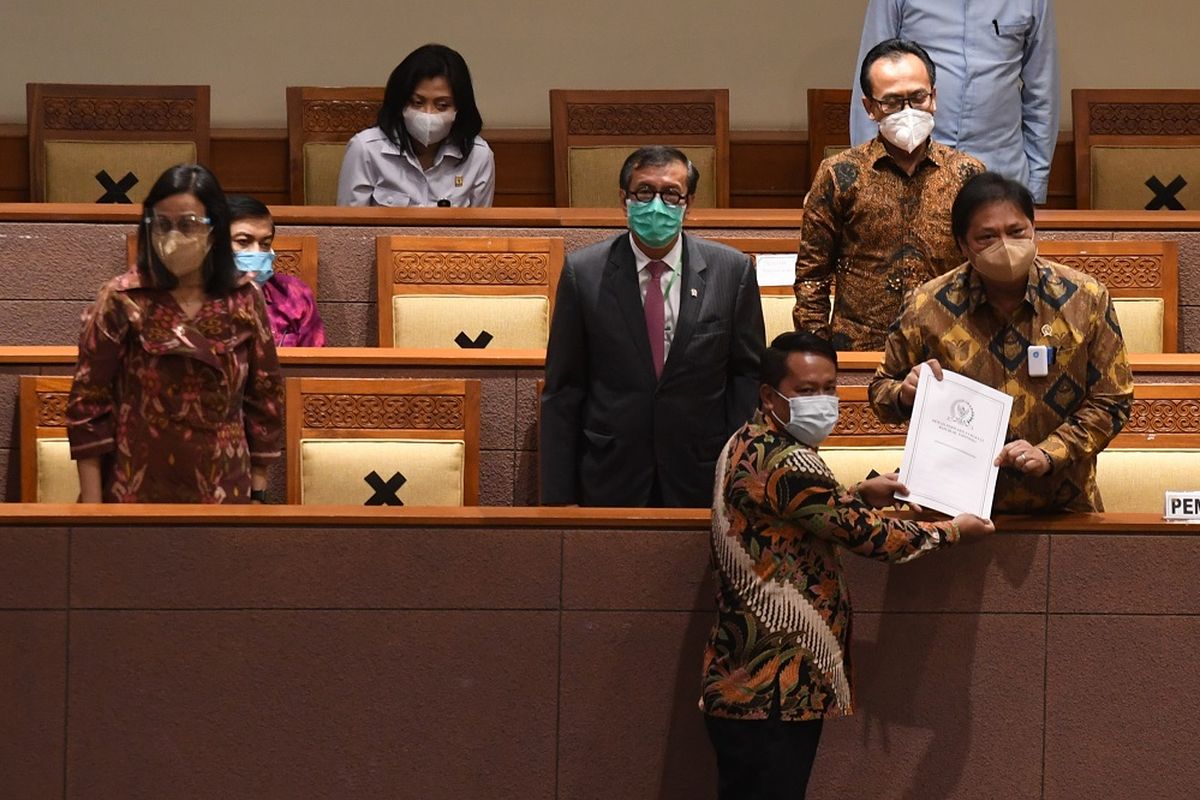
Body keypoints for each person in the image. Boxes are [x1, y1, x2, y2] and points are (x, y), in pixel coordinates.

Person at [702, 330, 994, 800]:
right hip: (775, 685)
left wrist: (858, 493)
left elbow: (794, 514)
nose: (822, 401)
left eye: (829, 388)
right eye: (806, 391)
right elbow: (875, 539)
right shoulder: (794, 461)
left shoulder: (746, 440)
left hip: (742, 680)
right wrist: (955, 529)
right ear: (769, 395)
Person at [869, 172, 1133, 512]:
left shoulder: (1085, 299)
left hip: (1062, 507)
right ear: (962, 245)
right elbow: (880, 392)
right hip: (955, 512)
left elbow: (1112, 401)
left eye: (1016, 231)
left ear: (1033, 230)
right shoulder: (926, 305)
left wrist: (1050, 452)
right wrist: (904, 394)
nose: (1005, 245)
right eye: (987, 237)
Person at [540, 145, 765, 507]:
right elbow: (564, 391)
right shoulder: (584, 273)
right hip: (610, 475)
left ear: (688, 203)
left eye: (671, 193)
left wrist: (739, 478)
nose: (656, 204)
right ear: (624, 199)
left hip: (701, 475)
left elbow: (745, 382)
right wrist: (557, 499)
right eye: (644, 191)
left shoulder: (732, 272)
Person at [66, 164, 284, 503]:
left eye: (188, 225)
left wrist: (258, 489)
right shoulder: (123, 298)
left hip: (223, 485)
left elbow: (265, 396)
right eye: (162, 225)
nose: (172, 237)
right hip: (136, 484)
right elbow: (88, 404)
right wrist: (93, 511)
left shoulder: (243, 298)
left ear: (215, 230)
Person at [795, 38, 985, 351]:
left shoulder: (967, 174)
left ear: (933, 98)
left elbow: (984, 267)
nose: (908, 111)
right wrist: (818, 355)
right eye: (892, 102)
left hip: (950, 351)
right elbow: (812, 278)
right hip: (860, 350)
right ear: (870, 107)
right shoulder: (839, 174)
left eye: (918, 97)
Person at [850, 0, 1059, 204]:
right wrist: (871, 175)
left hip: (1000, 172)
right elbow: (871, 82)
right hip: (913, 168)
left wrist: (1035, 186)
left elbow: (1041, 93)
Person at [337, 43, 494, 207]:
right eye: (417, 102)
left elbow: (480, 229)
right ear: (401, 102)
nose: (428, 114)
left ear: (460, 108)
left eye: (442, 105)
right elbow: (348, 228)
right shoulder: (366, 149)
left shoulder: (478, 156)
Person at [227, 195, 326, 347]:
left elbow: (315, 362)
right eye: (243, 242)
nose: (257, 252)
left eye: (265, 244)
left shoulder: (295, 294)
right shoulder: (197, 297)